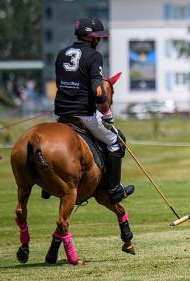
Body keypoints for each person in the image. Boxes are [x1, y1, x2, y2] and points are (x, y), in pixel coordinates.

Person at [54, 17, 134, 203]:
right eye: (99, 37)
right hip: (84, 113)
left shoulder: (61, 53)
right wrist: (107, 114)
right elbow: (98, 92)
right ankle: (114, 189)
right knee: (116, 140)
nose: (100, 41)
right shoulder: (93, 55)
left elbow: (61, 83)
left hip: (61, 112)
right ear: (91, 38)